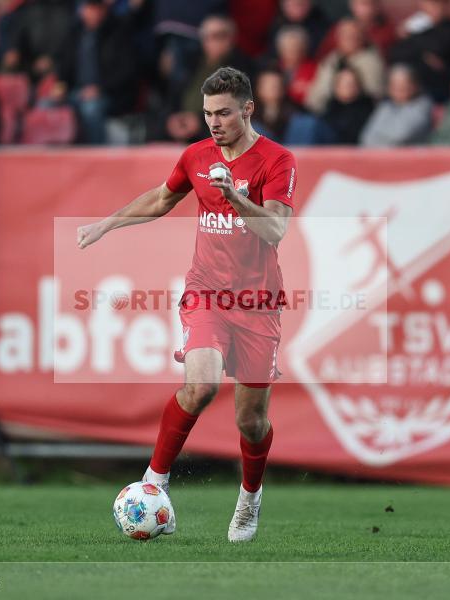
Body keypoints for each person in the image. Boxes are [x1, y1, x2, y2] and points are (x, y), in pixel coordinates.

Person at [77, 66, 296, 543]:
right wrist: (105, 224)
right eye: (207, 113)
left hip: (259, 303)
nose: (213, 122)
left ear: (248, 109)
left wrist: (236, 198)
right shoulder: (196, 156)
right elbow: (160, 199)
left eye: (223, 113)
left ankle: (249, 499)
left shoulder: (277, 160)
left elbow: (276, 229)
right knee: (200, 386)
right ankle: (155, 480)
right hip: (207, 293)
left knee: (251, 421)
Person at [165, 15, 253, 143]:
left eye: (219, 35)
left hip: (212, 129)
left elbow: (236, 109)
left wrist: (199, 122)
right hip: (181, 123)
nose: (212, 41)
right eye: (207, 36)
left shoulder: (241, 67)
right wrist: (170, 120)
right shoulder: (191, 62)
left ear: (231, 38)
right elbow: (173, 95)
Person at [61, 0, 138, 145]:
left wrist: (100, 88)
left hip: (110, 94)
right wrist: (60, 86)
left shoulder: (119, 31)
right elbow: (63, 66)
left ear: (103, 10)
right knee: (46, 105)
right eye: (87, 8)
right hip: (75, 92)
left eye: (94, 8)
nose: (89, 12)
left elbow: (127, 72)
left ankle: (96, 156)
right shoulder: (75, 33)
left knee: (90, 109)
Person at [388, 0, 450, 102]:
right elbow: (396, 53)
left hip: (438, 89)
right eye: (429, 4)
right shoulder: (416, 26)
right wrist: (425, 54)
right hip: (409, 88)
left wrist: (411, 36)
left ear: (447, 5)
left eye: (436, 4)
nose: (432, 9)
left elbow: (440, 49)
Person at [306, 17, 386, 113]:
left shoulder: (372, 63)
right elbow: (315, 94)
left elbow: (374, 97)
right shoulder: (331, 59)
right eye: (345, 35)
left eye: (354, 35)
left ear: (363, 37)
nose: (350, 39)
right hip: (323, 113)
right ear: (338, 38)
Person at [359, 63, 433, 147]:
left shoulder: (423, 106)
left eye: (402, 84)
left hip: (410, 157)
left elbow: (400, 136)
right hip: (379, 156)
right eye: (394, 84)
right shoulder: (385, 106)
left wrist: (378, 142)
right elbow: (367, 136)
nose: (397, 88)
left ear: (414, 86)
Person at [317, 0, 397, 60]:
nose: (367, 9)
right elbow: (323, 58)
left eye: (370, 4)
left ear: (377, 6)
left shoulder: (387, 31)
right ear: (352, 5)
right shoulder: (339, 29)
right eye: (362, 4)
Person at [322, 65, 375, 144]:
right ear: (336, 87)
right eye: (344, 83)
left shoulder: (366, 108)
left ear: (358, 86)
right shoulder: (330, 107)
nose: (349, 87)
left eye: (352, 83)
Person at [272, 25, 318, 108]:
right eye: (288, 48)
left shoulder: (314, 69)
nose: (292, 51)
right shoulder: (273, 68)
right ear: (280, 49)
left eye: (296, 47)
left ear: (304, 49)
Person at [252, 67, 298, 140]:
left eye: (277, 84)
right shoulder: (251, 112)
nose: (274, 88)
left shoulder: (292, 112)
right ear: (259, 88)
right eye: (269, 84)